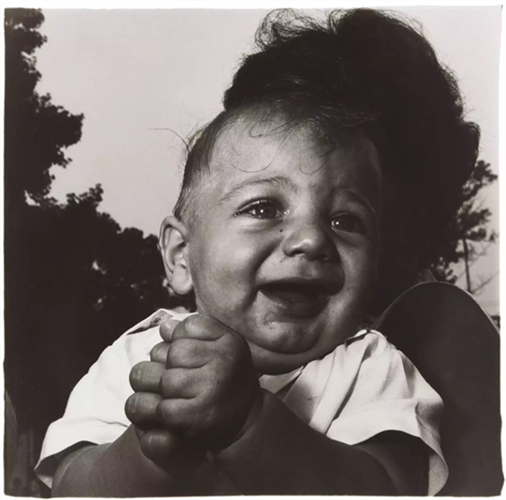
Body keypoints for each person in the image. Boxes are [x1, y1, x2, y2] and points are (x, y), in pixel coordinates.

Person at [35, 8, 479, 496]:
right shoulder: (139, 355)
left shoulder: (374, 364)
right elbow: (73, 486)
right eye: (265, 207)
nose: (310, 240)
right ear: (181, 255)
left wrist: (250, 425)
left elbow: (390, 487)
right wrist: (151, 449)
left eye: (347, 219)